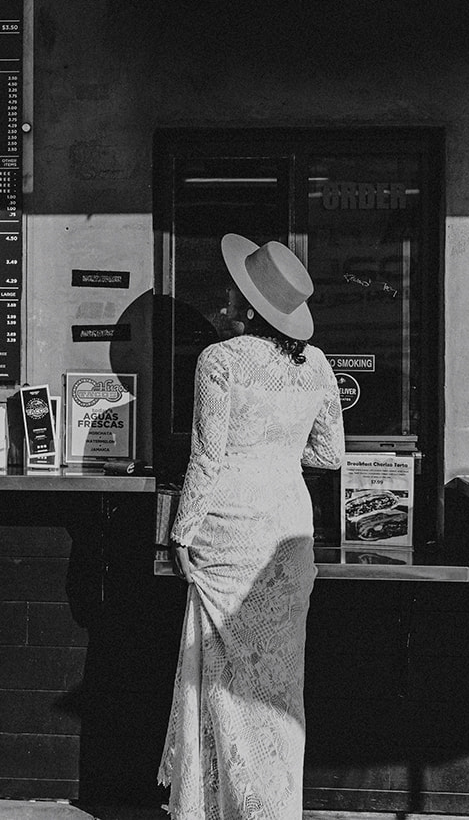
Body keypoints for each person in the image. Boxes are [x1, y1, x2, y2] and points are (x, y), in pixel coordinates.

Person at [158, 235, 344, 820]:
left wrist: (180, 531)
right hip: (288, 530)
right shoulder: (316, 365)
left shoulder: (220, 361)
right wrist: (278, 452)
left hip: (228, 529)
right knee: (280, 683)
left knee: (218, 675)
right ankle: (273, 807)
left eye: (232, 295)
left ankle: (219, 806)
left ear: (247, 306)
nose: (223, 304)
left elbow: (207, 459)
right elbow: (330, 454)